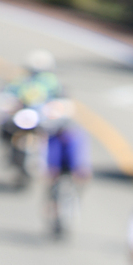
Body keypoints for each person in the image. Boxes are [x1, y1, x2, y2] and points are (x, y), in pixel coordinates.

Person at [43, 100, 91, 234]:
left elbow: (80, 154)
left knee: (80, 183)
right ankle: (52, 209)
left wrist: (80, 170)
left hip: (73, 164)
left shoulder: (76, 135)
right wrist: (50, 169)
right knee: (51, 189)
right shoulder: (53, 135)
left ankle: (74, 205)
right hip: (58, 163)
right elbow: (50, 153)